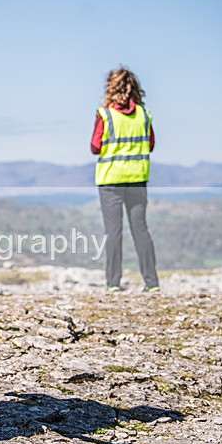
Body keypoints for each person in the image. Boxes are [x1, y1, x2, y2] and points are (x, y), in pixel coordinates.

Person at [91, 66, 160, 292]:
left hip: (110, 180)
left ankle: (112, 284)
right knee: (140, 229)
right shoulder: (144, 114)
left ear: (110, 88)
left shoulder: (105, 115)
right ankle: (152, 283)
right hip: (137, 179)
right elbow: (150, 144)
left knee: (113, 231)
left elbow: (95, 146)